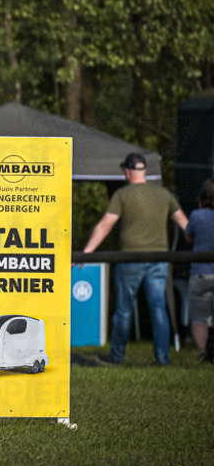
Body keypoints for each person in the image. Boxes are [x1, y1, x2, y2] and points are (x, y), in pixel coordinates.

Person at [82, 153, 189, 365]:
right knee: (158, 308)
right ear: (145, 172)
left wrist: (86, 253)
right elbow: (185, 225)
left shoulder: (123, 195)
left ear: (128, 172)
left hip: (130, 258)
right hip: (160, 259)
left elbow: (106, 225)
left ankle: (117, 356)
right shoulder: (164, 195)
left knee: (124, 309)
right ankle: (162, 358)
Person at [184, 178, 214, 363]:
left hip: (200, 271)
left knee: (199, 316)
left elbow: (188, 237)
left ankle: (202, 350)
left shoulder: (196, 215)